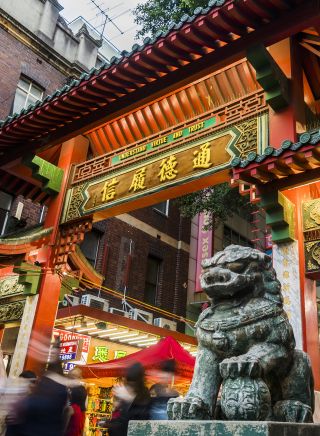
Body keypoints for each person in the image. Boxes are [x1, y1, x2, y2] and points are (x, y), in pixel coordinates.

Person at [108, 363, 150, 436]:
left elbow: (141, 419)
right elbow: (120, 420)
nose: (129, 387)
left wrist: (128, 399)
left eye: (132, 383)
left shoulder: (144, 396)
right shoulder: (125, 395)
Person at [64, 367, 87, 436]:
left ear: (79, 377)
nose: (72, 378)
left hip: (74, 418)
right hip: (75, 418)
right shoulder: (69, 388)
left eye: (74, 376)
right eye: (71, 376)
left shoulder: (80, 390)